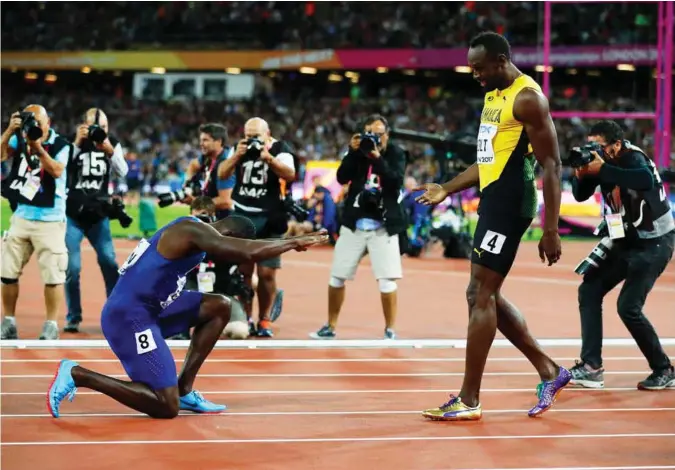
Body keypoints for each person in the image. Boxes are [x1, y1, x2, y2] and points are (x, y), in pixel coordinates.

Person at [415, 32, 569, 421]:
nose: (475, 75)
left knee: (480, 294)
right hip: (494, 201)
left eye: (480, 68)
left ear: (501, 61)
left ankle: (470, 399)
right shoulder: (492, 97)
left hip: (511, 204)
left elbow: (552, 165)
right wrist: (446, 188)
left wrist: (551, 229)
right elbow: (487, 159)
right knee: (483, 294)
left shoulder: (527, 98)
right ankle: (550, 370)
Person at [46, 215, 328, 419]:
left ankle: (184, 389)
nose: (229, 255)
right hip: (129, 318)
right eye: (231, 245)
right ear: (229, 233)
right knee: (166, 407)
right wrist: (293, 241)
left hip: (151, 310)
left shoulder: (197, 236)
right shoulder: (191, 229)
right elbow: (247, 251)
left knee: (219, 306)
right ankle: (78, 374)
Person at [568, 120, 675, 390]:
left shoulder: (633, 158)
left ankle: (664, 369)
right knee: (589, 289)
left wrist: (602, 168)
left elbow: (645, 179)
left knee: (628, 307)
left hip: (655, 242)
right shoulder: (599, 161)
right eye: (591, 145)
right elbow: (581, 196)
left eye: (599, 146)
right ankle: (591, 367)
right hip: (624, 241)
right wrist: (581, 173)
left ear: (616, 145)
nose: (595, 151)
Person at [309, 114, 407, 339]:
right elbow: (342, 178)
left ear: (387, 135)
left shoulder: (396, 153)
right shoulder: (356, 153)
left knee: (387, 280)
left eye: (379, 134)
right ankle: (330, 326)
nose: (375, 138)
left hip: (384, 224)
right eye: (370, 133)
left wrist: (376, 157)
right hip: (355, 223)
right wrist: (354, 152)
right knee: (336, 276)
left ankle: (390, 330)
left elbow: (395, 182)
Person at [218, 117, 296, 337]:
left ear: (267, 133)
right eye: (248, 135)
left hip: (271, 218)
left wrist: (268, 157)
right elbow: (222, 174)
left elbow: (290, 174)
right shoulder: (238, 149)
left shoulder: (280, 149)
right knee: (243, 273)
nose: (251, 140)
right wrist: (237, 155)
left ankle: (265, 320)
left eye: (256, 136)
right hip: (244, 217)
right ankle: (246, 318)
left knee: (267, 273)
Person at [1, 105, 72, 340]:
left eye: (39, 124)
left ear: (48, 122)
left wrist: (38, 148)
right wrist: (10, 131)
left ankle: (51, 324)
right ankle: (8, 321)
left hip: (50, 218)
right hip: (22, 214)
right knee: (7, 272)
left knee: (53, 275)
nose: (35, 128)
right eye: (32, 124)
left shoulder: (62, 145)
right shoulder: (18, 139)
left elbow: (57, 170)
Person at [64, 108, 129, 333]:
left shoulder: (112, 144)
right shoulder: (71, 144)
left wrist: (109, 150)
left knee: (110, 262)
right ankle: (73, 315)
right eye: (95, 128)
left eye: (103, 128)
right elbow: (61, 170)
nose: (99, 133)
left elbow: (122, 171)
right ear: (84, 125)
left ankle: (115, 313)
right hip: (72, 214)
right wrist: (76, 143)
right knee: (71, 268)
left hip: (99, 214)